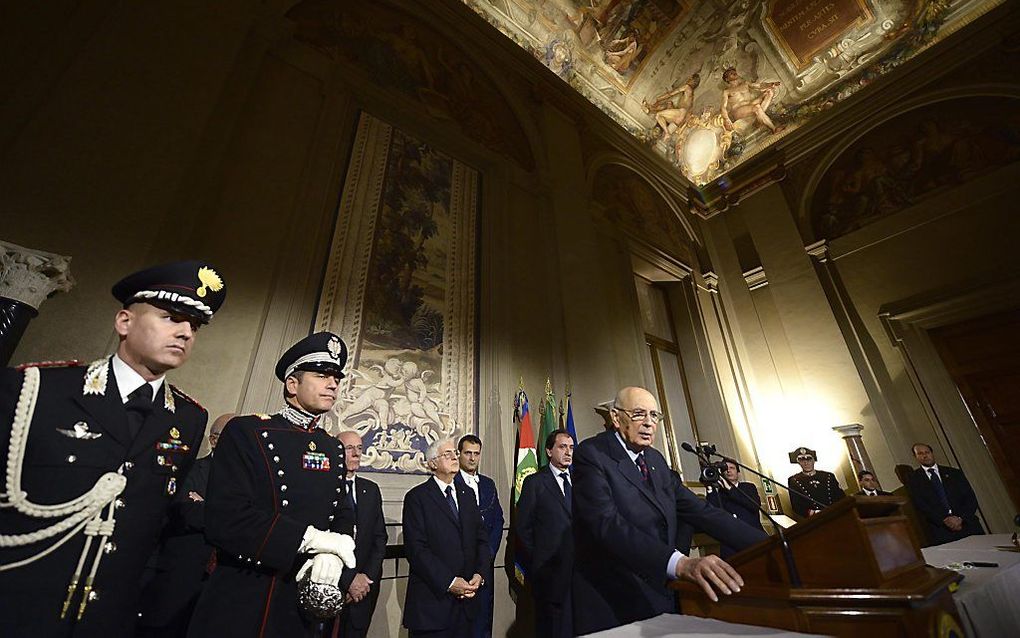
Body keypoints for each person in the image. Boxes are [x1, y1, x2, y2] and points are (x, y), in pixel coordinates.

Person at [0, 260, 226, 637]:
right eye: (171, 317)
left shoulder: (188, 419)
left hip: (109, 616)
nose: (186, 332)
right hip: (19, 606)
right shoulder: (36, 389)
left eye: (195, 325)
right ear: (124, 322)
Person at [186, 332, 357, 637]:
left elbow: (342, 512)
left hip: (305, 594)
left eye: (336, 378)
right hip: (247, 592)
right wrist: (310, 539)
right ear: (293, 384)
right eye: (321, 375)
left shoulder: (331, 447)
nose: (333, 384)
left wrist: (332, 553)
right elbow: (227, 518)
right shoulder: (247, 432)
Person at [572, 386, 768, 634]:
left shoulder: (655, 460)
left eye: (654, 416)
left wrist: (771, 545)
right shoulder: (592, 454)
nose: (648, 423)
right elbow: (607, 525)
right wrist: (680, 564)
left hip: (659, 593)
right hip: (613, 600)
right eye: (639, 414)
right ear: (615, 416)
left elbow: (701, 511)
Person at [136, 412, 234, 637]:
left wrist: (206, 506)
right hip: (178, 580)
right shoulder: (190, 469)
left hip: (217, 589)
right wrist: (230, 517)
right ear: (214, 440)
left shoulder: (246, 484)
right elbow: (185, 512)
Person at [402, 437, 491, 638]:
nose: (454, 457)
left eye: (454, 453)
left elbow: (481, 539)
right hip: (432, 606)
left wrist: (480, 573)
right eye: (447, 454)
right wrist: (450, 582)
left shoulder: (467, 494)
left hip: (466, 605)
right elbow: (417, 551)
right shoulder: (417, 498)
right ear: (433, 463)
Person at [515, 429, 575, 638]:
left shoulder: (581, 481)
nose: (568, 452)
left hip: (580, 574)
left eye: (571, 447)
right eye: (562, 447)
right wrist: (541, 562)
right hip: (549, 575)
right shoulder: (535, 482)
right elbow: (522, 529)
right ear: (549, 451)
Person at [330, 430, 387, 638]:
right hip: (332, 585)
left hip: (365, 588)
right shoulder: (325, 488)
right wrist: (348, 580)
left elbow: (380, 539)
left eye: (360, 448)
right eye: (349, 448)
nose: (356, 454)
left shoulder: (370, 489)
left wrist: (365, 578)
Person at [455, 434, 504, 638]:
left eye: (476, 453)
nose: (472, 458)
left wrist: (487, 555)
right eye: (468, 453)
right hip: (459, 566)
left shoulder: (488, 484)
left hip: (484, 566)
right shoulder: (451, 483)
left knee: (482, 622)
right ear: (459, 454)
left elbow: (498, 521)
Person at [906, 443, 983, 546]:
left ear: (932, 453)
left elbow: (970, 498)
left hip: (968, 525)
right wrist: (944, 520)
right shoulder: (913, 480)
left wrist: (960, 519)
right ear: (915, 457)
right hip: (941, 532)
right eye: (920, 453)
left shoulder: (955, 473)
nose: (925, 455)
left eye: (927, 452)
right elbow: (921, 505)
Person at [704, 459, 766, 558]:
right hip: (731, 544)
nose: (728, 471)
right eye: (725, 469)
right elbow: (713, 513)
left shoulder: (748, 487)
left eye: (732, 468)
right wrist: (710, 489)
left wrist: (730, 489)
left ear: (738, 472)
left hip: (753, 536)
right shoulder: (718, 493)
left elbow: (754, 506)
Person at [787, 447, 845, 519]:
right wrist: (813, 512)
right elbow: (796, 504)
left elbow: (840, 496)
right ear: (798, 462)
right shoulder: (794, 480)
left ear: (814, 460)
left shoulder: (828, 476)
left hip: (835, 514)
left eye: (809, 459)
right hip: (815, 518)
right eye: (802, 460)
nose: (806, 463)